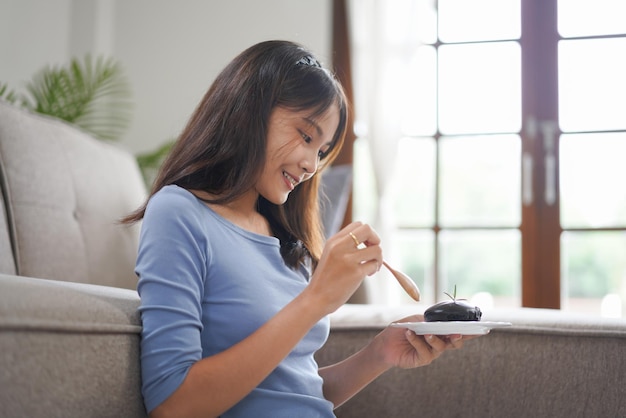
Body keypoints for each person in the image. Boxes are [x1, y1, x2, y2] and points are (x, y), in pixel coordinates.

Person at [123, 40, 470, 418]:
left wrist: (379, 353)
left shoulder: (285, 241)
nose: (311, 165)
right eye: (306, 136)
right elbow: (173, 405)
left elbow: (292, 391)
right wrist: (315, 300)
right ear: (248, 112)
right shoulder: (179, 213)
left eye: (321, 152)